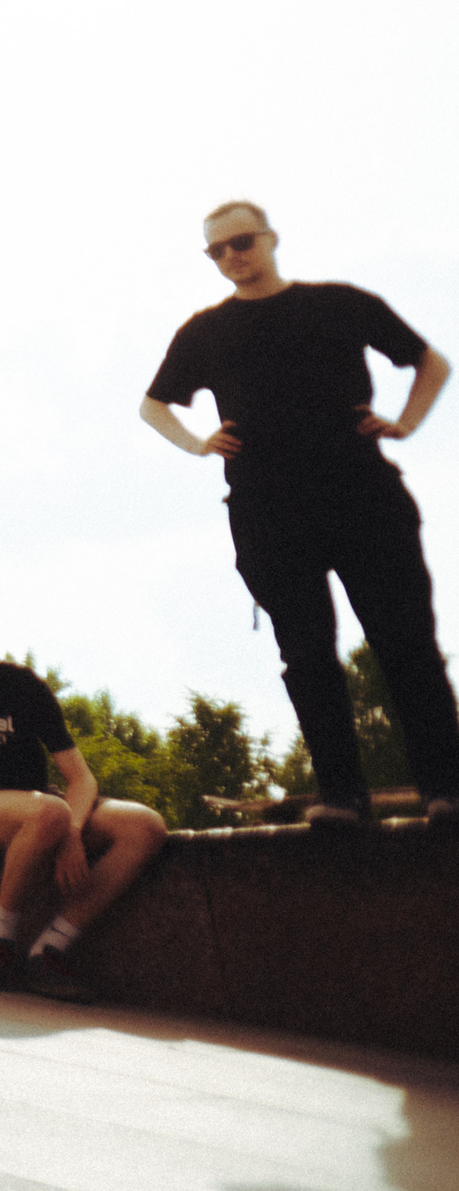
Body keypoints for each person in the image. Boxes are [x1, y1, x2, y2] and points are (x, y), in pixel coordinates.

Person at [140, 200, 458, 828]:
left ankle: (447, 789)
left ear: (270, 239)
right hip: (269, 511)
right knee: (307, 656)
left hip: (363, 496)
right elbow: (154, 405)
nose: (233, 255)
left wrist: (406, 423)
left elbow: (431, 361)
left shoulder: (338, 303)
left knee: (406, 645)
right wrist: (198, 442)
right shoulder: (205, 331)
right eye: (219, 250)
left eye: (242, 242)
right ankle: (340, 797)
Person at [0, 589, 167, 1001]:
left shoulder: (24, 686)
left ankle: (50, 948)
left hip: (43, 803)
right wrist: (46, 818)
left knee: (144, 826)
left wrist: (72, 831)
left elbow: (81, 778)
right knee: (48, 813)